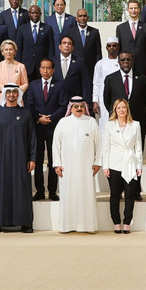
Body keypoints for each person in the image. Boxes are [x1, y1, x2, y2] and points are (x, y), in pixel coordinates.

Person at [0, 82, 36, 232]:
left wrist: (32, 158)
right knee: (0, 189)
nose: (11, 95)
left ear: (18, 94)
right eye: (8, 92)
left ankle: (25, 223)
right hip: (0, 160)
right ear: (4, 94)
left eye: (14, 92)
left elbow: (32, 138)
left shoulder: (26, 113)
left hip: (21, 159)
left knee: (22, 189)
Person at [50, 96, 101, 233]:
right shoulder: (63, 122)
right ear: (70, 108)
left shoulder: (91, 122)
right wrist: (57, 164)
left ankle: (87, 226)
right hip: (67, 167)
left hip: (87, 168)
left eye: (81, 106)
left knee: (86, 195)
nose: (79, 109)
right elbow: (55, 145)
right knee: (68, 194)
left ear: (85, 107)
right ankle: (67, 226)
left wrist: (97, 163)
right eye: (76, 106)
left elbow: (99, 144)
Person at [100, 99, 145, 233]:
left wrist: (139, 166)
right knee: (115, 194)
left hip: (130, 163)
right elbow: (106, 147)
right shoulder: (109, 125)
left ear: (127, 109)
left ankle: (127, 222)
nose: (121, 110)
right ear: (115, 110)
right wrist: (105, 166)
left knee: (130, 194)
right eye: (119, 108)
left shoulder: (135, 125)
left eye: (124, 107)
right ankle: (116, 222)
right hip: (114, 163)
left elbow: (138, 147)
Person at [27, 58, 65, 201]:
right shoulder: (33, 85)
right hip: (37, 128)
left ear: (53, 70)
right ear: (39, 69)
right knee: (37, 159)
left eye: (48, 68)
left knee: (53, 160)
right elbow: (29, 105)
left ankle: (53, 191)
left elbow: (63, 105)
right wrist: (39, 118)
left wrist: (50, 117)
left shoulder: (59, 85)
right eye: (43, 68)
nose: (45, 70)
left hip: (53, 127)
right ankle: (39, 191)